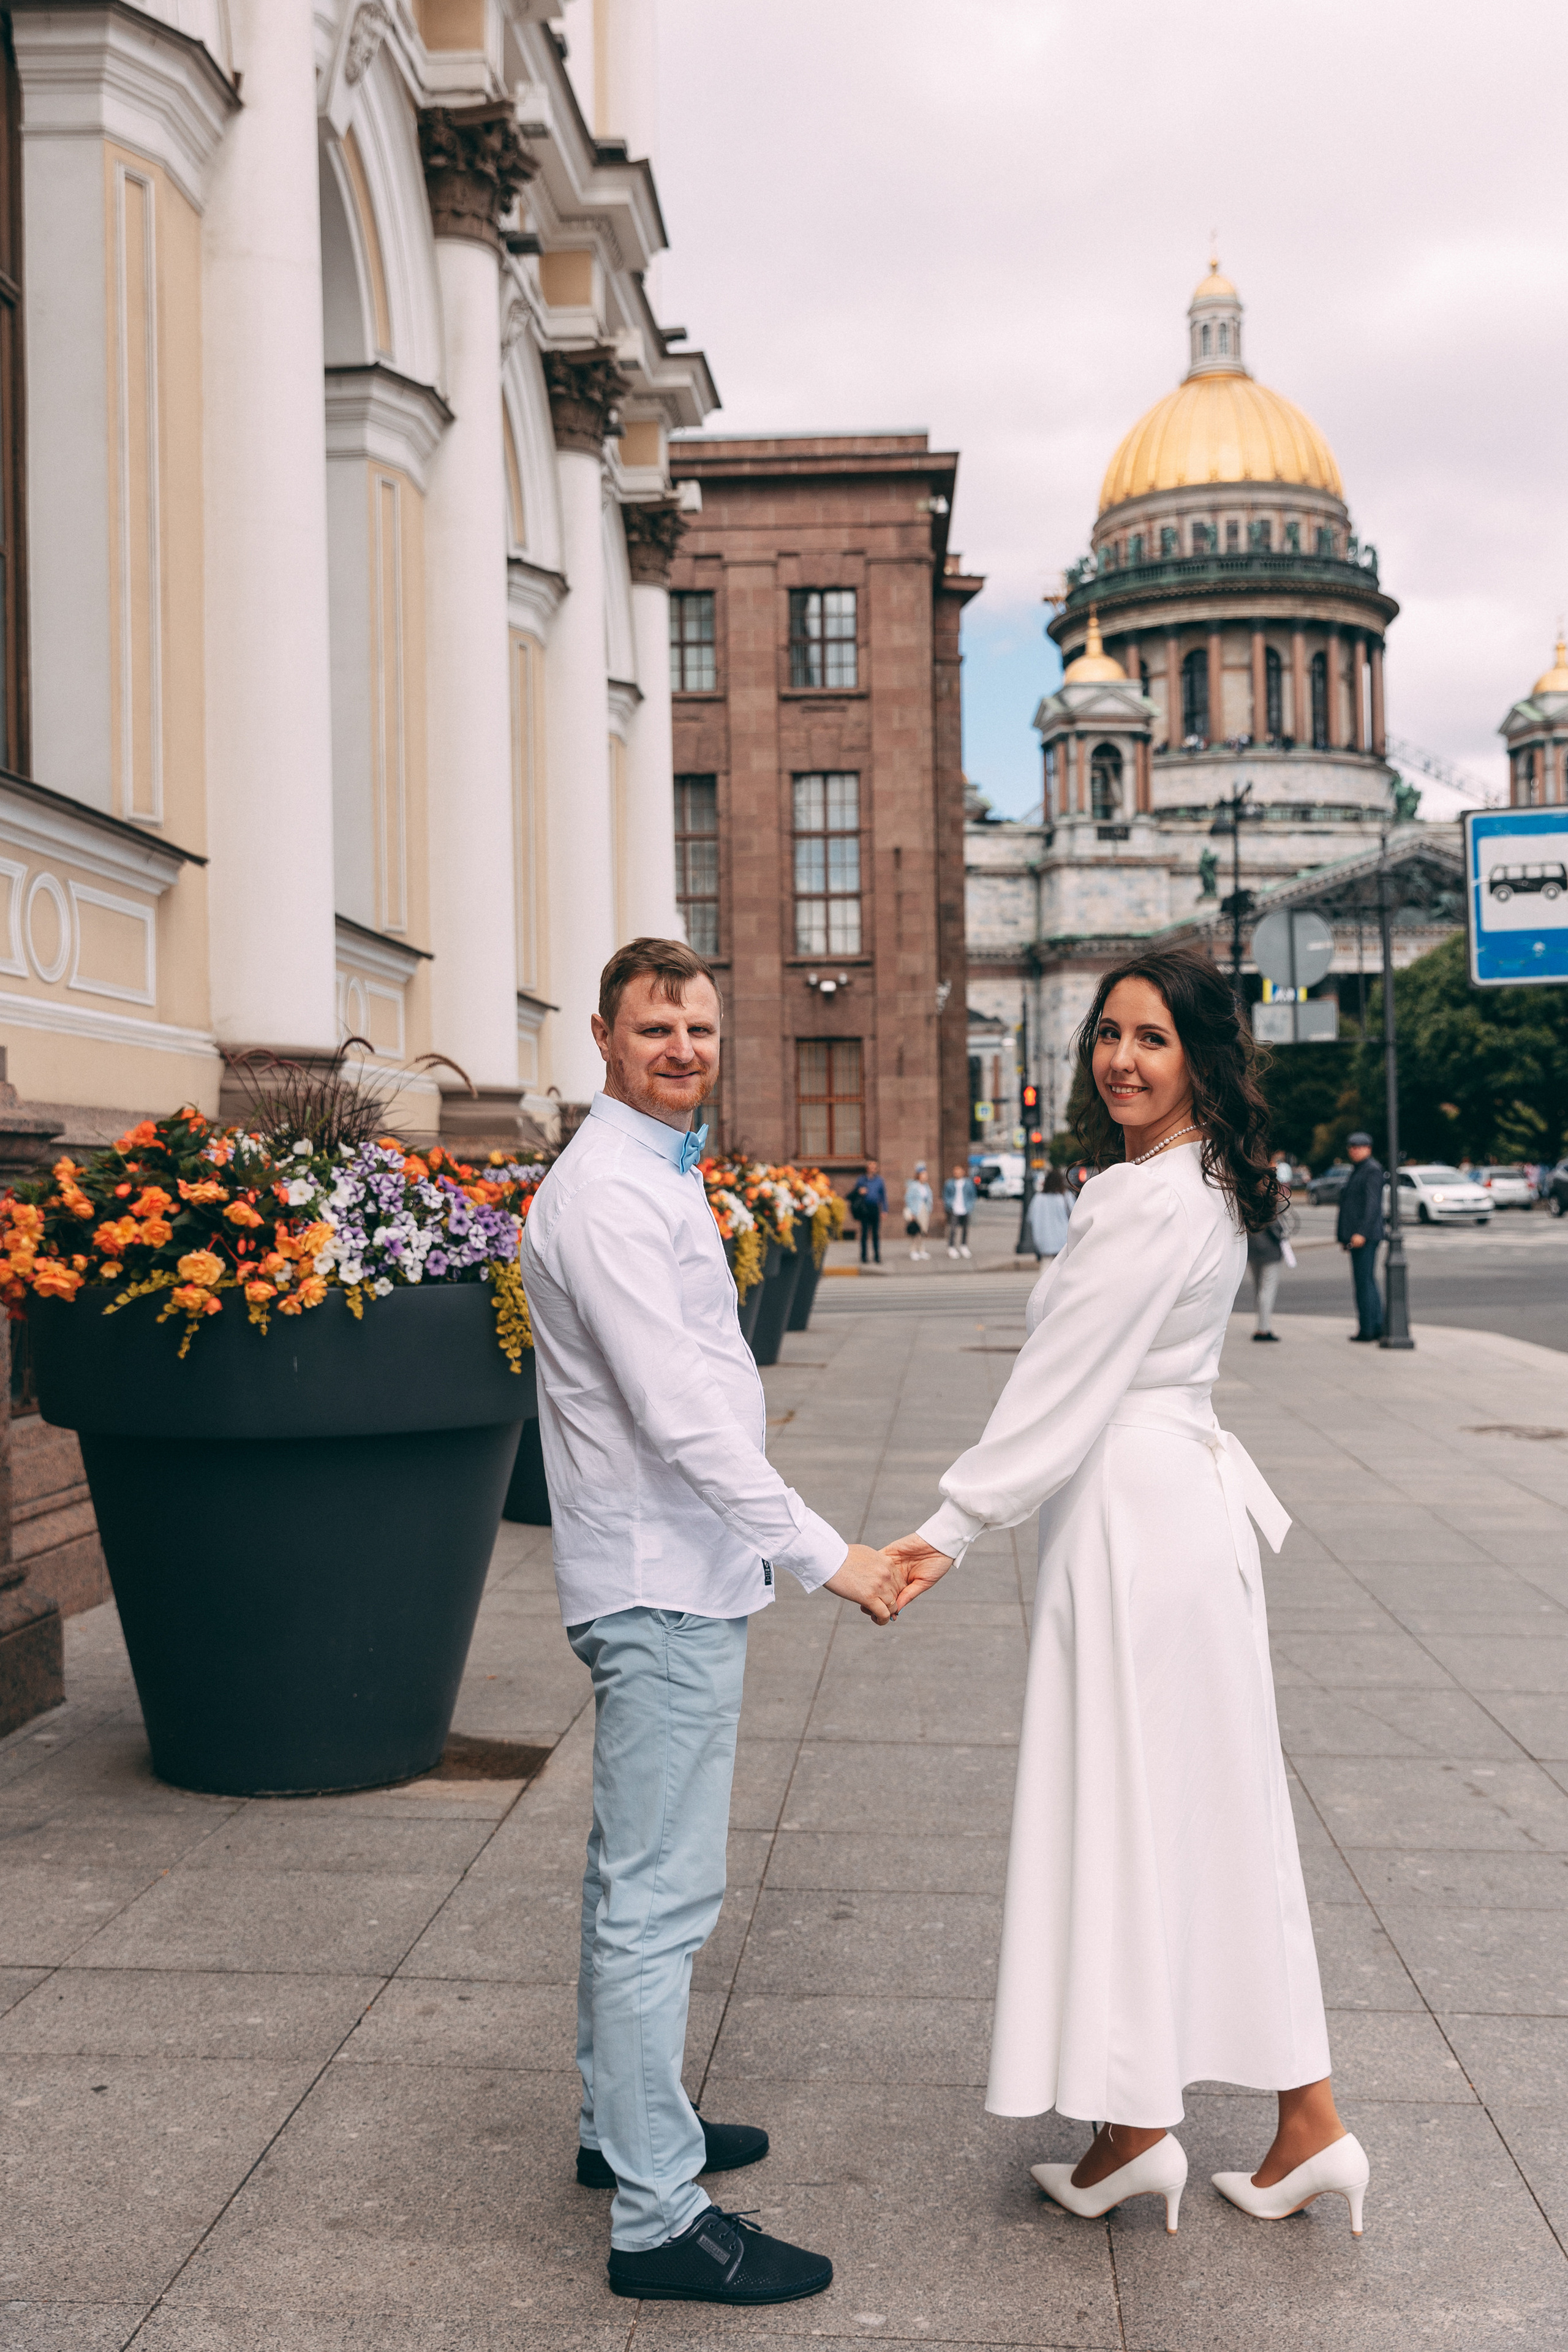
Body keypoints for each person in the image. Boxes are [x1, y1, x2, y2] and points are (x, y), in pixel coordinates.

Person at [881, 945, 1367, 2239]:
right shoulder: (1191, 1178)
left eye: (1148, 1038)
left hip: (1131, 1522)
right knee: (1205, 1806)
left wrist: (950, 1522)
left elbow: (1059, 1378)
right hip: (1173, 1511)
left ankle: (1144, 2126)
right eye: (1106, 1035)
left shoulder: (1141, 1197)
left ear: (1197, 1056)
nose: (1119, 1059)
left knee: (1125, 1802)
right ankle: (1274, 2121)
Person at [521, 937, 904, 2306]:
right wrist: (828, 1556)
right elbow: (681, 1415)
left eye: (697, 1026)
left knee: (634, 1879)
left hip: (674, 1574)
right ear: (602, 1038)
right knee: (658, 1899)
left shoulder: (648, 1174)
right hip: (660, 1584)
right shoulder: (611, 1198)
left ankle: (618, 2129)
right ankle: (656, 2219)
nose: (680, 1047)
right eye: (654, 1027)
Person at [1336, 1131, 1384, 1343]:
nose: (1354, 1150)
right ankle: (1374, 1326)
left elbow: (1372, 1206)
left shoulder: (1371, 1170)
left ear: (1369, 1149)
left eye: (1359, 1147)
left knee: (1364, 1283)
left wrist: (1361, 1233)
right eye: (1352, 1147)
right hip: (1358, 1236)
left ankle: (1369, 1329)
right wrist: (1344, 1236)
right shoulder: (1359, 1170)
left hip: (1365, 1236)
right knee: (1366, 1282)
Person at [1247, 1213, 1286, 1341]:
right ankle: (1263, 1328)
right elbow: (1275, 1224)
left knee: (1258, 1289)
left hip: (1252, 1247)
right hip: (1270, 1248)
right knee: (1268, 1290)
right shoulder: (1270, 1197)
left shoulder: (1248, 1197)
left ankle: (1260, 1326)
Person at [1026, 1164, 1072, 1259]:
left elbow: (1030, 1219)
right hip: (1064, 1243)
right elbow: (1075, 1216)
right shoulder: (1066, 1197)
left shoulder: (1038, 1198)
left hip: (1044, 1244)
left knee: (1046, 1271)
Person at [848, 1159, 886, 1264]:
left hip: (875, 1208)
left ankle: (877, 1255)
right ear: (867, 1168)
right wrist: (859, 1191)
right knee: (864, 1233)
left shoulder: (879, 1181)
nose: (873, 1169)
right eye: (871, 1167)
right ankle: (864, 1256)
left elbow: (883, 1196)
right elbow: (853, 1194)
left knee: (875, 1233)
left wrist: (884, 1210)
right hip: (865, 1209)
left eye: (875, 1167)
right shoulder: (862, 1180)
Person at [943, 1163, 976, 1257]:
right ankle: (951, 1247)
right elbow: (946, 1196)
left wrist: (970, 1206)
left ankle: (964, 1246)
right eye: (955, 1172)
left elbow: (972, 1196)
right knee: (953, 1229)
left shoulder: (968, 1183)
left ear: (963, 1172)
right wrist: (950, 1205)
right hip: (954, 1208)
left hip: (965, 1208)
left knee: (965, 1229)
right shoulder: (949, 1183)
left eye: (959, 1172)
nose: (957, 1174)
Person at [904, 1162, 934, 1260]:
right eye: (923, 1174)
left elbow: (929, 1199)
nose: (925, 1176)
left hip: (924, 1210)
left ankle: (921, 1250)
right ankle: (913, 1250)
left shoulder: (926, 1186)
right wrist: (912, 1213)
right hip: (916, 1210)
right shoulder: (913, 1186)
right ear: (919, 1175)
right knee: (915, 1231)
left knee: (923, 1231)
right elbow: (908, 1199)